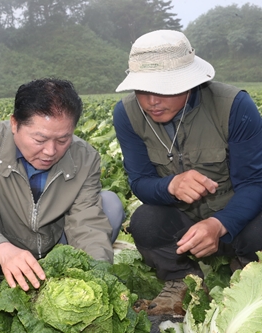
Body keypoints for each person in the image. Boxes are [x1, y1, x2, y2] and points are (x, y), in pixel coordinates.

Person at [112, 30, 262, 316]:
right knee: (144, 221)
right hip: (183, 225)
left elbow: (254, 183)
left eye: (163, 89)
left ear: (191, 83)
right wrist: (169, 186)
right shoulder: (127, 115)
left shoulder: (233, 106)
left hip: (238, 217)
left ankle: (246, 266)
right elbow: (140, 182)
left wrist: (219, 224)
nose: (151, 101)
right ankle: (182, 281)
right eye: (142, 90)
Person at [0, 78, 125, 291]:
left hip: (55, 250)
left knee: (110, 204)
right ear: (14, 123)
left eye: (63, 140)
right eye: (39, 140)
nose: (50, 151)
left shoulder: (85, 157)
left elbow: (86, 224)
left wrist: (97, 278)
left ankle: (56, 280)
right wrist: (3, 250)